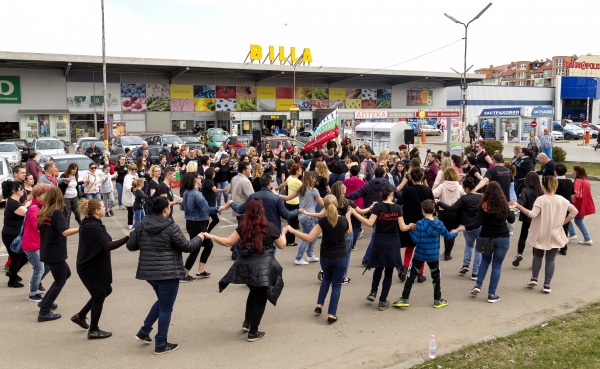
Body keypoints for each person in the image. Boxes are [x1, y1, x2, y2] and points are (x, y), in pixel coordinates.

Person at [126, 196, 203, 354]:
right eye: (169, 206)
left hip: (149, 272)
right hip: (168, 272)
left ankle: (144, 331)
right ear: (165, 210)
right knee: (166, 308)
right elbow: (187, 246)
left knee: (162, 301)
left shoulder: (141, 225)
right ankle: (161, 343)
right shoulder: (171, 226)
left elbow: (131, 246)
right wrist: (200, 238)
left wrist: (132, 235)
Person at [203, 199, 286, 342]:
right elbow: (282, 245)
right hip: (263, 267)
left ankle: (247, 323)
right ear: (262, 211)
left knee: (253, 292)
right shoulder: (269, 227)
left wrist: (211, 235)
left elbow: (228, 242)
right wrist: (283, 232)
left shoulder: (244, 226)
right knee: (261, 298)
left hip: (245, 266)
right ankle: (253, 331)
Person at [286, 195, 352, 323]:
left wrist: (293, 230)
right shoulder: (343, 220)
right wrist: (349, 216)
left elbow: (309, 238)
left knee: (326, 279)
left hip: (326, 256)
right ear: (336, 205)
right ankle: (332, 314)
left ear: (325, 207)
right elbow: (349, 232)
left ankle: (319, 305)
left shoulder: (323, 221)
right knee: (337, 285)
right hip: (340, 257)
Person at [71, 198, 130, 339]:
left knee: (106, 290)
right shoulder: (92, 226)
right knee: (99, 295)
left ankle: (80, 315)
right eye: (103, 206)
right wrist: (127, 237)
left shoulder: (92, 223)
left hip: (94, 264)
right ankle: (93, 330)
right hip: (89, 267)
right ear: (97, 211)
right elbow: (107, 245)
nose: (105, 208)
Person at [350, 184, 414, 311]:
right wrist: (410, 226)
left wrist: (355, 213)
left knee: (378, 268)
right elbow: (402, 227)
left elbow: (369, 223)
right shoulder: (397, 208)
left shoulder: (378, 206)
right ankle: (382, 301)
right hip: (393, 242)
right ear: (391, 194)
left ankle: (373, 292)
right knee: (389, 272)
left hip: (379, 240)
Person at [510, 176, 578, 293]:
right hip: (555, 232)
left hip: (540, 231)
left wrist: (518, 206)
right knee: (551, 259)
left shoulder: (541, 199)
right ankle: (547, 284)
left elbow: (532, 214)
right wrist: (563, 222)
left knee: (538, 255)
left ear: (544, 186)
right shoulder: (562, 199)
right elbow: (574, 211)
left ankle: (534, 278)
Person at [453, 182, 515, 303]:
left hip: (486, 237)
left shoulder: (483, 206)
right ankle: (491, 294)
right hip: (502, 237)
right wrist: (511, 209)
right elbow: (511, 219)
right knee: (496, 265)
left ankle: (478, 285)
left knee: (485, 261)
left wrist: (461, 228)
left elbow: (476, 224)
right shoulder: (504, 205)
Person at [393, 199, 457, 309]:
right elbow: (448, 236)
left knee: (411, 275)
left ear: (422, 210)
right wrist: (454, 233)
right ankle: (437, 299)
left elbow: (416, 240)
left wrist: (411, 230)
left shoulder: (419, 224)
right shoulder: (439, 224)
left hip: (420, 254)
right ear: (434, 210)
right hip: (433, 256)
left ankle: (404, 298)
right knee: (436, 277)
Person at [37, 187, 79, 322]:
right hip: (55, 253)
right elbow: (64, 231)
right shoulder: (57, 213)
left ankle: (45, 302)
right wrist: (81, 228)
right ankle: (44, 311)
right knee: (60, 280)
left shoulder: (44, 212)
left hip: (47, 250)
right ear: (59, 198)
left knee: (66, 274)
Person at [180, 171, 231, 281]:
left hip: (192, 222)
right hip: (198, 224)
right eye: (199, 177)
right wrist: (223, 207)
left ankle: (201, 271)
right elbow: (207, 209)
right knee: (195, 249)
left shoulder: (186, 192)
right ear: (195, 180)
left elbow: (182, 207)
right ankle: (184, 274)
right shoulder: (196, 194)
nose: (201, 179)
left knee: (208, 245)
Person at [437, 177, 482, 279]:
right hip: (480, 225)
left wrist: (439, 202)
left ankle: (466, 265)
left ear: (466, 188)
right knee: (479, 249)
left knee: (469, 245)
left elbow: (451, 209)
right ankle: (475, 273)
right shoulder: (481, 197)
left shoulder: (464, 199)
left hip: (467, 226)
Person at [279, 171, 324, 265]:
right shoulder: (314, 191)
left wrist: (277, 195)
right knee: (307, 237)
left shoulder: (300, 189)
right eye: (314, 178)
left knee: (312, 236)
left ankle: (310, 254)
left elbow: (287, 198)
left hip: (303, 216)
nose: (316, 180)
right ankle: (299, 257)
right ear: (310, 178)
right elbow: (322, 205)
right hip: (309, 216)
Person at [22, 184, 52, 301]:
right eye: (45, 195)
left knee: (47, 267)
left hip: (38, 243)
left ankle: (35, 282)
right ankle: (33, 293)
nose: (47, 197)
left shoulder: (41, 207)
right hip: (32, 245)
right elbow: (39, 226)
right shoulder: (34, 209)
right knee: (39, 269)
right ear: (38, 195)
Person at [511, 172, 544, 267]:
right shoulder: (541, 191)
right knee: (535, 238)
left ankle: (519, 253)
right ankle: (535, 259)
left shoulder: (525, 190)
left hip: (527, 217)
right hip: (538, 218)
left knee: (523, 236)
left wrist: (515, 204)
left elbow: (522, 202)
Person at [433, 167, 465, 261]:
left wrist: (438, 200)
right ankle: (448, 253)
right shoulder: (459, 187)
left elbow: (433, 194)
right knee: (452, 231)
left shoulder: (442, 186)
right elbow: (464, 196)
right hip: (455, 212)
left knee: (444, 230)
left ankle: (443, 250)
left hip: (443, 211)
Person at [2, 180, 31, 287]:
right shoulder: (13, 203)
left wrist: (26, 204)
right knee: (16, 257)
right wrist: (28, 205)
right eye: (21, 189)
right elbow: (27, 213)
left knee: (24, 255)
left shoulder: (14, 201)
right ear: (14, 191)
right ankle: (12, 280)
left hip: (14, 233)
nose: (23, 190)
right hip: (12, 234)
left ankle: (12, 273)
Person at [275, 163, 302, 246]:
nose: (301, 170)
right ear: (297, 171)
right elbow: (305, 189)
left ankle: (287, 238)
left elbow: (284, 183)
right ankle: (290, 241)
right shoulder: (298, 182)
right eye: (300, 169)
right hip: (294, 202)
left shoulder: (290, 177)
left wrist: (277, 187)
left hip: (288, 202)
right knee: (293, 224)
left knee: (290, 222)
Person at [569, 166, 595, 245]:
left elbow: (576, 194)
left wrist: (570, 201)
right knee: (578, 220)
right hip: (584, 203)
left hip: (578, 204)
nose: (572, 171)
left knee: (567, 217)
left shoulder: (578, 180)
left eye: (573, 169)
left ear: (576, 171)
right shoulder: (586, 180)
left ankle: (574, 234)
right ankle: (586, 238)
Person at [122, 164, 138, 229]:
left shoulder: (136, 175)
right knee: (130, 210)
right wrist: (133, 188)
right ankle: (130, 223)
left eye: (135, 169)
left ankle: (136, 222)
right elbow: (126, 186)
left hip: (135, 195)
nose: (134, 171)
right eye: (132, 169)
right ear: (129, 170)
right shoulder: (127, 177)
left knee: (135, 210)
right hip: (129, 195)